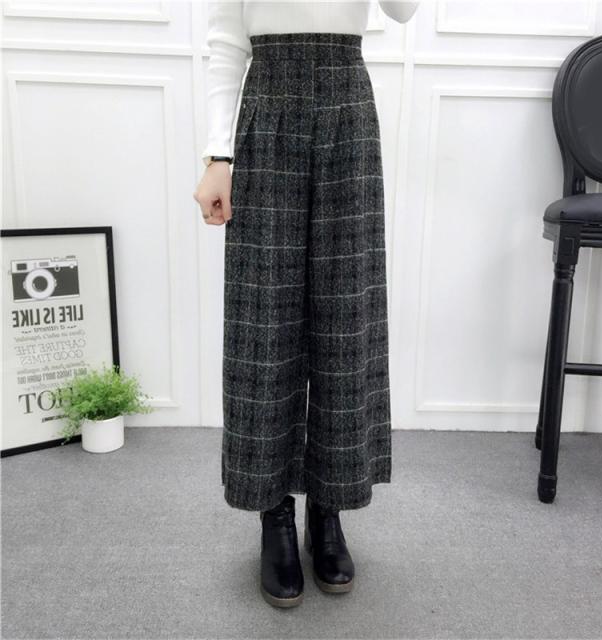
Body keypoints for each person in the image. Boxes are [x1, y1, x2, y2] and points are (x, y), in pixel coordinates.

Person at [193, 0, 419, 608]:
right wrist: (218, 156)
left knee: (347, 314)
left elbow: (403, 11)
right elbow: (225, 41)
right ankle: (272, 513)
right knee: (263, 320)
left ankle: (328, 507)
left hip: (348, 97)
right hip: (266, 99)